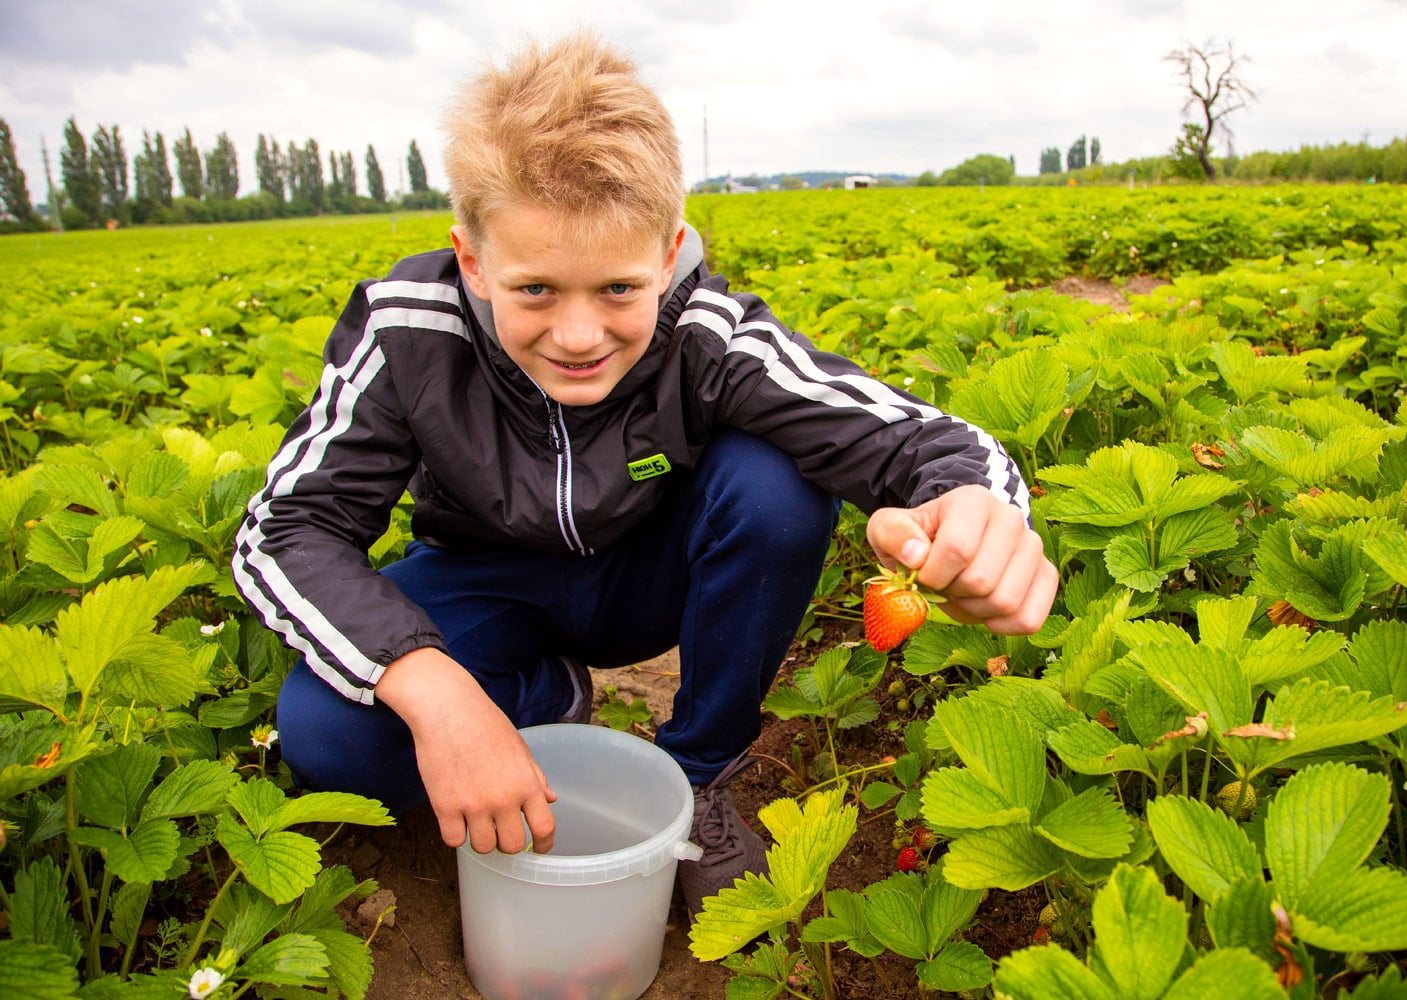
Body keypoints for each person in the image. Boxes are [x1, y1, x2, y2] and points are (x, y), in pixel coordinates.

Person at [231, 32, 1057, 919]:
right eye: (536, 290)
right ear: (474, 260)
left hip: (642, 575)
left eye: (621, 289)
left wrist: (977, 510)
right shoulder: (408, 331)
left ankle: (695, 773)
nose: (580, 335)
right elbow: (286, 527)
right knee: (326, 731)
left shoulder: (709, 331)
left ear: (667, 256)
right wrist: (438, 694)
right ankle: (544, 696)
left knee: (776, 477)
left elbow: (919, 441)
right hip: (487, 580)